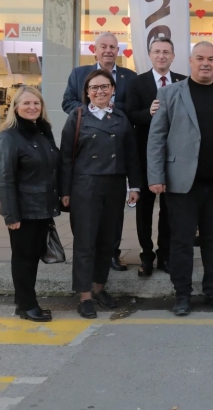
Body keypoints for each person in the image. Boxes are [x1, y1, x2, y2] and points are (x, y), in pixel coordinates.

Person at [147, 42, 213, 316]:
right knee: (181, 242)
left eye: (211, 59)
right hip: (181, 184)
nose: (205, 63)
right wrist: (156, 176)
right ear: (190, 61)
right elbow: (156, 138)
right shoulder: (169, 93)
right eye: (200, 58)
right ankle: (182, 294)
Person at [59, 69, 141, 319]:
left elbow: (131, 155)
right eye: (94, 88)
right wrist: (64, 191)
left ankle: (99, 288)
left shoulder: (120, 117)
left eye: (105, 86)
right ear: (87, 92)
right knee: (85, 243)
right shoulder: (78, 116)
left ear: (113, 89)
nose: (100, 91)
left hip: (114, 186)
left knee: (108, 241)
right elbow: (64, 157)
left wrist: (134, 186)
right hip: (85, 186)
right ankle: (84, 297)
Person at [62, 32, 137, 272]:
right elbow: (67, 102)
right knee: (87, 222)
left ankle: (112, 253)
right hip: (88, 148)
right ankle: (87, 271)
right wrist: (93, 110)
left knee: (113, 216)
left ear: (118, 51)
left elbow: (132, 108)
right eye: (103, 46)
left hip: (115, 149)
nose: (108, 50)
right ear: (94, 51)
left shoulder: (129, 77)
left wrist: (110, 109)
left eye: (112, 47)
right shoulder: (78, 74)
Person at [0, 86, 60, 322]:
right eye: (27, 103)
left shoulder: (42, 132)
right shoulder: (9, 137)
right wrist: (11, 216)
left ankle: (23, 302)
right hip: (23, 210)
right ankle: (27, 306)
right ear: (16, 108)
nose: (32, 107)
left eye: (37, 103)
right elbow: (3, 179)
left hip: (41, 208)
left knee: (31, 257)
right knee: (23, 258)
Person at [126, 37, 186, 277]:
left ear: (173, 56)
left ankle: (165, 254)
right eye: (157, 52)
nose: (162, 56)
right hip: (144, 156)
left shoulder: (183, 81)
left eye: (166, 52)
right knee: (144, 209)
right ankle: (146, 255)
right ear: (150, 55)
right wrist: (148, 113)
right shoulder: (136, 83)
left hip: (174, 157)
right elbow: (130, 114)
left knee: (169, 210)